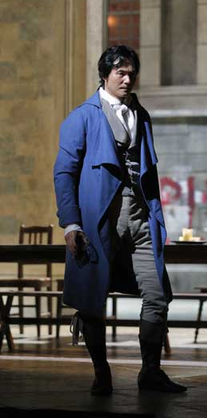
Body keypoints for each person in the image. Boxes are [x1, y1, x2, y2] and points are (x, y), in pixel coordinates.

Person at [53, 45, 187, 396]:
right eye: (120, 73)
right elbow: (64, 173)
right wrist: (71, 223)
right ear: (105, 74)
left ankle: (150, 372)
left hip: (141, 217)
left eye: (131, 73)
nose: (127, 79)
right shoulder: (82, 116)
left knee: (158, 295)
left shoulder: (140, 115)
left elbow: (148, 169)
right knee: (92, 300)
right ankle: (102, 372)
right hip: (100, 220)